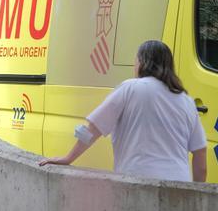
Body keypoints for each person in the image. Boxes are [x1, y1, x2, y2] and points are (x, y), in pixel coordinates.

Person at [40, 40, 207, 182]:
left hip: (138, 182)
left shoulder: (130, 88)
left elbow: (92, 128)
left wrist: (68, 158)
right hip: (179, 185)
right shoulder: (186, 101)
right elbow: (201, 159)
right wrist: (196, 197)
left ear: (142, 62)